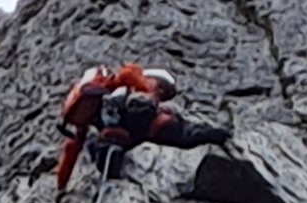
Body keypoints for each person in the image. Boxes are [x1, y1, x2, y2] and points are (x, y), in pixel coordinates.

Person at [54, 63, 231, 193]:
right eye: (159, 87)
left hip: (129, 133)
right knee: (183, 133)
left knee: (182, 133)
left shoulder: (106, 99)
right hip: (139, 130)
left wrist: (61, 184)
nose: (159, 92)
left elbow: (71, 148)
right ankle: (217, 135)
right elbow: (131, 75)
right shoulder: (126, 86)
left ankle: (219, 135)